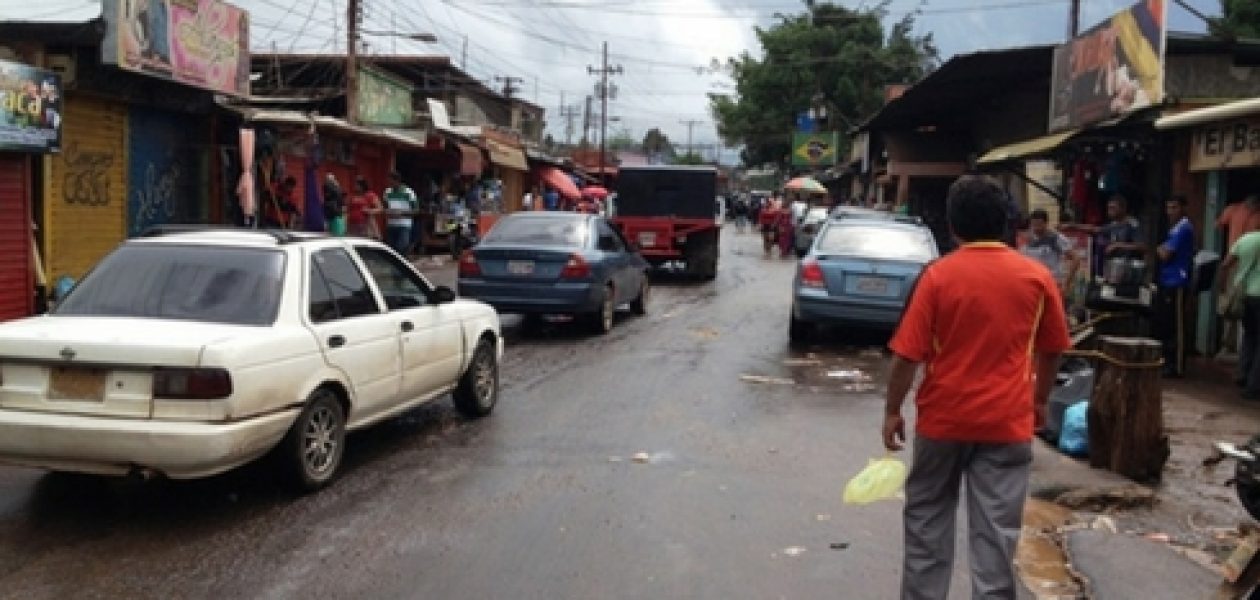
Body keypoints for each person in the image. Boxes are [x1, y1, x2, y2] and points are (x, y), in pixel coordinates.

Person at [884, 175, 1070, 600]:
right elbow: (1053, 347)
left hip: (942, 422)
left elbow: (907, 356)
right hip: (1006, 424)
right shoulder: (1036, 277)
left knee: (927, 522)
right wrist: (1039, 400)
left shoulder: (937, 277)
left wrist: (893, 410)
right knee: (996, 533)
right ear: (1005, 222)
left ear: (952, 226)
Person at [1154, 195, 1195, 378]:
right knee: (1167, 323)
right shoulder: (1175, 229)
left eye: (1174, 207)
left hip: (1177, 280)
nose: (1170, 212)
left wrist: (1160, 249)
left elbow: (1165, 254)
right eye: (1168, 208)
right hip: (1167, 279)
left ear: (1183, 208)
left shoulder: (1183, 229)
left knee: (1177, 325)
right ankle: (1168, 361)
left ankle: (1177, 365)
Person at [1216, 195, 1260, 353]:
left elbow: (1218, 225)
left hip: (1235, 263)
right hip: (1241, 265)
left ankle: (1229, 345)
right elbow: (1218, 225)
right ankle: (1229, 345)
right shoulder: (1236, 211)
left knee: (1233, 306)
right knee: (1233, 307)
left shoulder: (1233, 210)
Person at [1222, 230, 1260, 399]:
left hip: (1245, 294)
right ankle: (1254, 386)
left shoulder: (1246, 239)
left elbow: (1226, 263)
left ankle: (1243, 374)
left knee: (1249, 336)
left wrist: (1224, 287)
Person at [1021, 209, 1081, 293]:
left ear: (1046, 223)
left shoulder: (1056, 238)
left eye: (1039, 225)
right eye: (1034, 225)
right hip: (1033, 285)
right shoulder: (1028, 239)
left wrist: (1067, 283)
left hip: (1052, 284)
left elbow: (1076, 259)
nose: (1036, 228)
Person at [383, 171, 418, 256]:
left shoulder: (408, 192)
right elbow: (385, 206)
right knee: (390, 249)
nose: (389, 183)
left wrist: (401, 214)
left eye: (391, 181)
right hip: (391, 225)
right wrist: (387, 212)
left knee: (401, 248)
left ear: (397, 181)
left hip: (404, 225)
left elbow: (416, 210)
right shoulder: (387, 192)